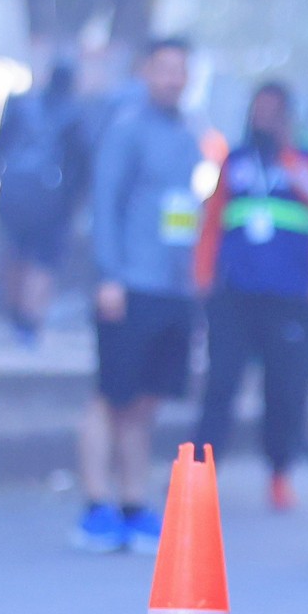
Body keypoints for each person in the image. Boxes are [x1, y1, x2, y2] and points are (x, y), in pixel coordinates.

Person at [78, 37, 204, 552]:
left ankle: (132, 503)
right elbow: (104, 204)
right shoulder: (126, 129)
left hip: (172, 287)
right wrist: (109, 274)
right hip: (128, 283)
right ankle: (95, 506)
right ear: (145, 72)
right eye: (164, 68)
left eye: (181, 69)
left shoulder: (189, 136)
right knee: (112, 394)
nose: (173, 78)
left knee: (145, 400)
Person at [194, 81, 308, 509]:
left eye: (274, 111)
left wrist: (291, 163)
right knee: (221, 384)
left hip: (290, 298)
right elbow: (213, 222)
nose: (265, 118)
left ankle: (279, 474)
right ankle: (199, 474)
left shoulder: (307, 162)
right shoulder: (234, 162)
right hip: (234, 295)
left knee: (285, 391)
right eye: (260, 110)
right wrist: (203, 277)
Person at [0, 60, 87, 344]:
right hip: (51, 201)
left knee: (15, 252)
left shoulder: (22, 107)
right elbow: (80, 165)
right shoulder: (74, 116)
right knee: (43, 260)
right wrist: (72, 202)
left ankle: (15, 313)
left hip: (13, 196)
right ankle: (30, 320)